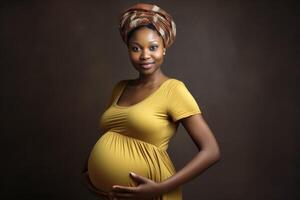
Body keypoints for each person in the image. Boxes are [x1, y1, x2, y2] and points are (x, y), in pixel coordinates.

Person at [81, 3, 221, 200]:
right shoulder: (120, 88)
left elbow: (211, 151)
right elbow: (112, 135)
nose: (145, 55)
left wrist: (159, 188)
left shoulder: (174, 90)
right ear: (128, 50)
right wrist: (88, 171)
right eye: (136, 48)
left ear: (164, 48)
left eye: (153, 47)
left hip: (153, 194)